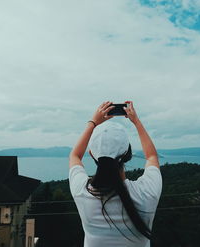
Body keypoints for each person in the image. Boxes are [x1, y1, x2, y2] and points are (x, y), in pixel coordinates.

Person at [69, 101, 162, 247]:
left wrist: (93, 122)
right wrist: (136, 121)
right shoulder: (147, 192)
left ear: (92, 154)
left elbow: (75, 156)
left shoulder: (83, 192)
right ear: (127, 153)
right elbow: (152, 157)